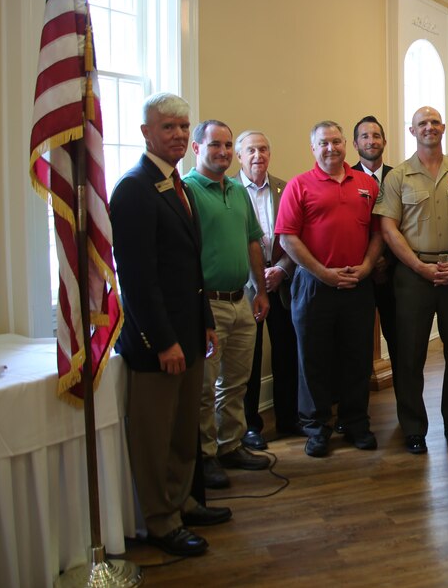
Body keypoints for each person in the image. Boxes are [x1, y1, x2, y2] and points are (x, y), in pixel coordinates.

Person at [110, 93, 228, 558]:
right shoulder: (134, 189)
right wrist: (163, 342)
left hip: (188, 334)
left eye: (183, 126)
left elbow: (188, 270)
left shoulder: (175, 185)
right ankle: (160, 521)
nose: (178, 134)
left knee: (183, 430)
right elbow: (137, 279)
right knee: (155, 436)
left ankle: (182, 502)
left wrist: (203, 323)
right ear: (146, 133)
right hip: (157, 342)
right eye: (168, 128)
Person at [374, 106, 448, 454]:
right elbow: (388, 228)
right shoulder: (398, 177)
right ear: (412, 130)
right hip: (412, 276)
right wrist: (418, 267)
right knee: (409, 354)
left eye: (435, 122)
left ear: (444, 128)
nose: (429, 128)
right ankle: (414, 427)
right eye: (423, 123)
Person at [276, 121, 382, 457]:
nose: (331, 148)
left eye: (336, 142)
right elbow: (288, 237)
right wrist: (323, 273)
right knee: (313, 358)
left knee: (357, 356)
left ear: (345, 146)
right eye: (323, 143)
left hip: (357, 283)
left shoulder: (366, 185)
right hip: (313, 285)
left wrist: (366, 267)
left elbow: (380, 233)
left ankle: (355, 423)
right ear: (313, 148)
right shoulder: (299, 186)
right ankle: (316, 427)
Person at [184, 120, 271, 489]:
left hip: (241, 300)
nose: (220, 151)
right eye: (214, 145)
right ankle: (204, 457)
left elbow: (253, 242)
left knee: (236, 382)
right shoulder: (186, 191)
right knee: (205, 387)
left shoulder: (237, 191)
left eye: (225, 145)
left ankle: (230, 444)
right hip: (208, 307)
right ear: (196, 148)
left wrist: (261, 290)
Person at [235, 130, 299, 450]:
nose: (258, 155)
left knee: (287, 353)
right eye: (250, 150)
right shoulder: (229, 191)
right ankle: (251, 426)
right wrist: (257, 276)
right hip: (247, 290)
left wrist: (281, 270)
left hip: (280, 285)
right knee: (250, 359)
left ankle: (289, 418)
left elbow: (294, 237)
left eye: (263, 149)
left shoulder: (284, 188)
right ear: (240, 157)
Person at [352, 115, 397, 362]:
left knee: (399, 342)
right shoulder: (346, 178)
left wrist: (386, 260)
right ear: (355, 144)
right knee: (357, 345)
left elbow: (406, 224)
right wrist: (369, 261)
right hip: (359, 275)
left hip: (393, 274)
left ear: (384, 141)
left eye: (376, 136)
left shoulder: (398, 177)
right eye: (365, 136)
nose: (371, 141)